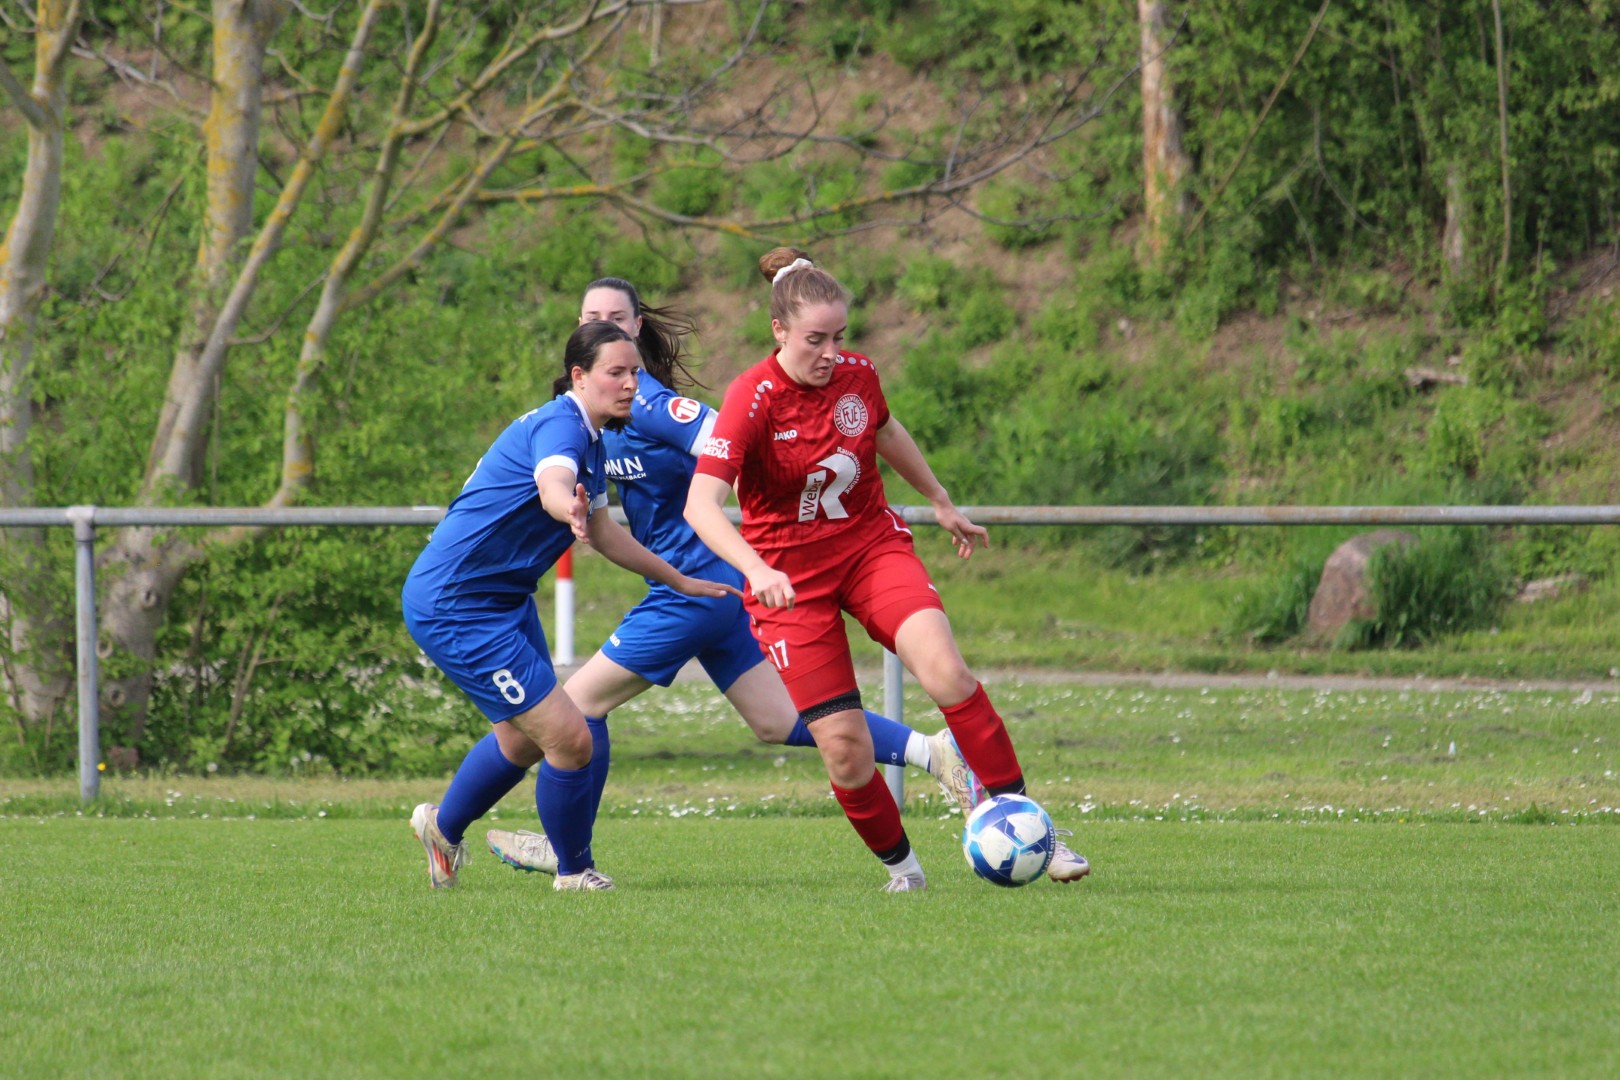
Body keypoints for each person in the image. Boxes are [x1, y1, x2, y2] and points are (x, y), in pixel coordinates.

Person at [480, 277, 981, 876]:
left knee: (577, 707)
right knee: (775, 720)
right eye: (591, 316)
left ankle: (566, 851)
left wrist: (784, 516)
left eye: (617, 315)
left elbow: (734, 445)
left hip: (695, 586)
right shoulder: (602, 414)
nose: (604, 324)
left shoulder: (652, 405)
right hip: (705, 588)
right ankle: (934, 751)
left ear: (638, 327)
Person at [684, 247, 1091, 892]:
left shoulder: (858, 375)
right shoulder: (750, 398)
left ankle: (1031, 829)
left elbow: (886, 431)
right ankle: (905, 874)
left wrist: (939, 499)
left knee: (948, 673)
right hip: (790, 584)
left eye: (839, 337)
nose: (831, 353)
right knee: (845, 752)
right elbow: (700, 506)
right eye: (815, 340)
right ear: (779, 331)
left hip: (870, 549)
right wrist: (755, 568)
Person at [402, 320, 737, 892]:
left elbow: (604, 534)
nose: (630, 384)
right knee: (571, 737)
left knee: (523, 740)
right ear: (579, 377)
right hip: (456, 604)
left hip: (501, 600)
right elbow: (552, 483)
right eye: (616, 372)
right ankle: (574, 872)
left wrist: (679, 579)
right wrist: (566, 508)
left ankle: (443, 829)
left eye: (635, 372)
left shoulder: (593, 439)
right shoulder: (563, 426)